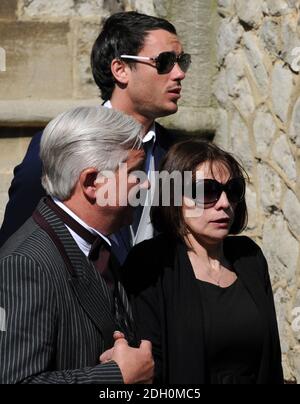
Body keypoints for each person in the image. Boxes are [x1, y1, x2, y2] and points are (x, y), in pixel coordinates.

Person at [0, 12, 191, 263]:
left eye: (182, 61)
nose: (179, 74)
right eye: (165, 62)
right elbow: (15, 247)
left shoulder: (176, 152)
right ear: (121, 70)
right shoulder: (62, 144)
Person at [0, 106, 154, 384]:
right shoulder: (26, 263)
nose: (145, 185)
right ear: (92, 182)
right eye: (135, 173)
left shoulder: (96, 244)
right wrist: (116, 376)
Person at [123, 139, 284, 384]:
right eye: (206, 191)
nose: (224, 204)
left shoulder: (249, 257)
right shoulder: (150, 263)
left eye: (233, 190)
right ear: (173, 196)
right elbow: (150, 368)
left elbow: (271, 361)